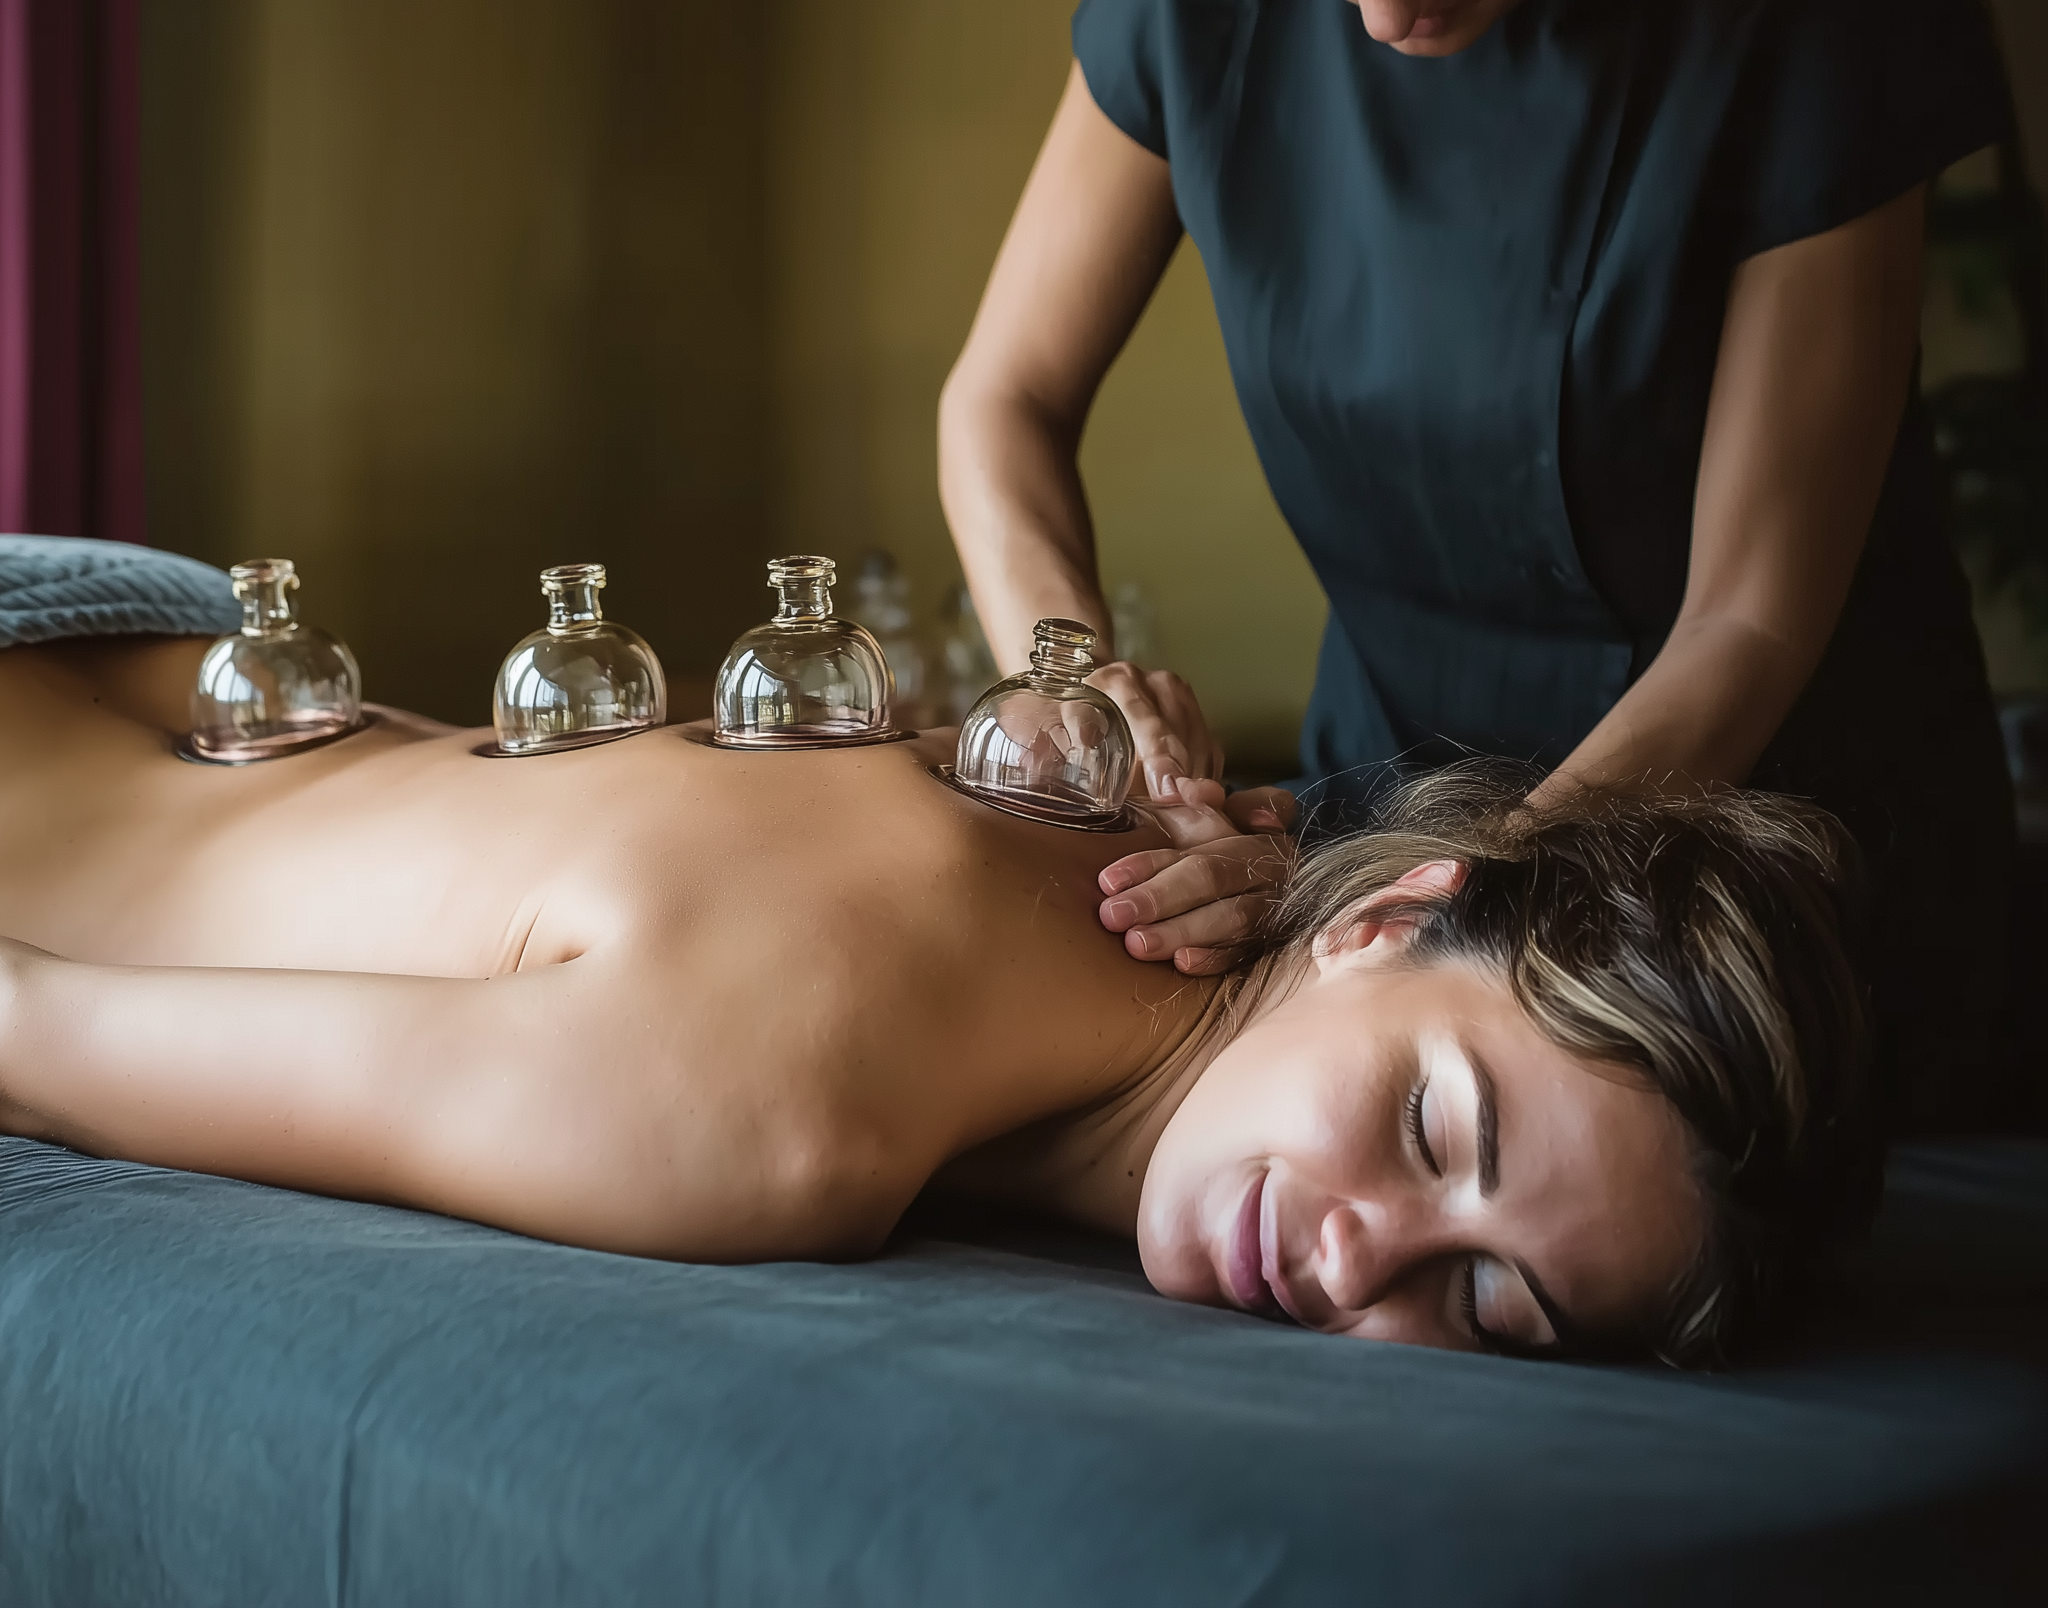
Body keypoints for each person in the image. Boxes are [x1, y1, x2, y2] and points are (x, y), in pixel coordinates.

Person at [938, 0, 2018, 1135]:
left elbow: (1749, 624)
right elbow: (1006, 398)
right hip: (1379, 842)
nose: (1382, 9)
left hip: (1761, 909)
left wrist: (1457, 901)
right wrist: (1077, 682)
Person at [0, 542, 1874, 1366]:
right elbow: (29, 1023)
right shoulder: (778, 1118)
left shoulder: (1154, 840)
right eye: (1432, 1130)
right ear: (1385, 924)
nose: (1362, 1254)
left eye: (1483, 1311)